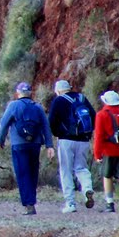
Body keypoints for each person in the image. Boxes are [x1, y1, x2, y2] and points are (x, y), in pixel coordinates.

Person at [0, 81, 52, 215]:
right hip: (35, 144)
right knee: (33, 172)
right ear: (30, 93)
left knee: (22, 173)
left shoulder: (13, 106)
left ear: (18, 93)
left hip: (18, 144)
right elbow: (46, 127)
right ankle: (31, 200)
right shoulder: (37, 107)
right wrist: (49, 145)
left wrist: (1, 140)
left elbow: (4, 123)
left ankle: (29, 204)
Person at [47, 79, 96, 213]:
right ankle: (87, 188)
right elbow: (93, 116)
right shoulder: (81, 98)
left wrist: (58, 134)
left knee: (66, 170)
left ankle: (70, 203)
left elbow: (51, 121)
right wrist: (88, 135)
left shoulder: (59, 100)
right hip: (84, 140)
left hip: (66, 140)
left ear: (57, 91)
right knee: (81, 167)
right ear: (69, 87)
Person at [93, 91, 119, 211]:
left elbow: (99, 136)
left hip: (109, 151)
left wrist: (97, 154)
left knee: (107, 176)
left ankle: (110, 204)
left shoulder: (101, 115)